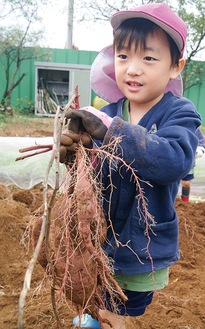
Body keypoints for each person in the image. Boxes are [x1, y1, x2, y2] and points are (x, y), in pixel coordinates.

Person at [60, 3, 201, 328]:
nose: (133, 69)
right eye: (123, 57)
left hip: (140, 247)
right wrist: (75, 158)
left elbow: (174, 160)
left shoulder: (179, 114)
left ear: (175, 67)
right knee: (94, 301)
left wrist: (114, 132)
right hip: (96, 240)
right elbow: (93, 174)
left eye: (148, 58)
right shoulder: (105, 111)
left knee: (116, 314)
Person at [181, 127, 205, 202]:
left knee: (186, 183)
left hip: (188, 161)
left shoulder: (193, 125)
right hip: (171, 160)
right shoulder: (169, 122)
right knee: (169, 184)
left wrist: (198, 150)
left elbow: (201, 142)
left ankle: (184, 203)